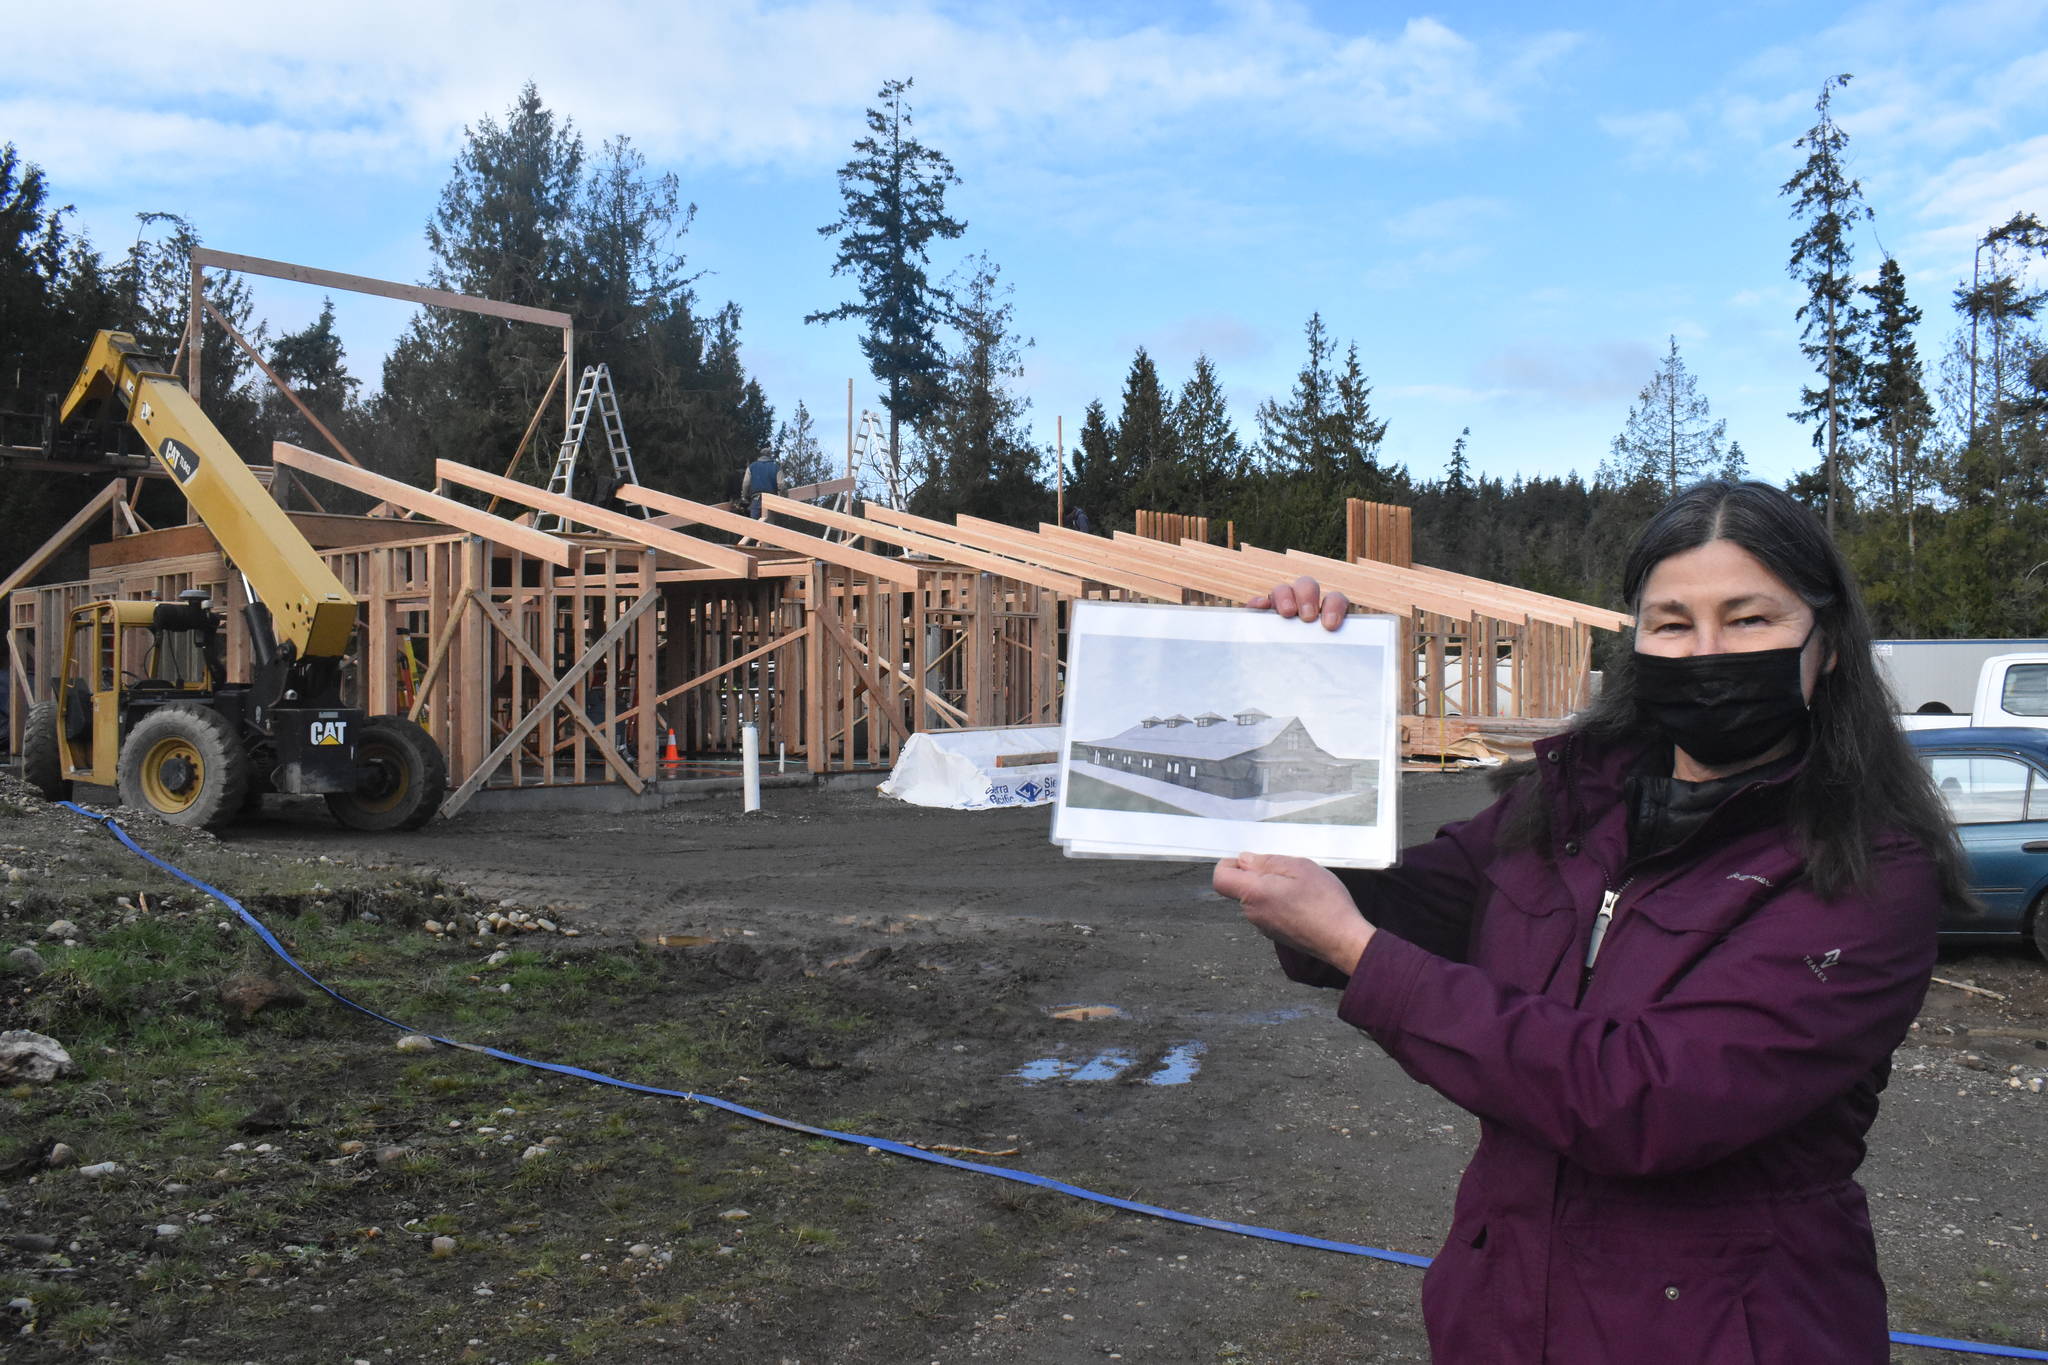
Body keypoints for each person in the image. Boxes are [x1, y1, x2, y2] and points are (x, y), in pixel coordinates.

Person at [1212, 480, 1969, 1365]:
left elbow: (1644, 1101)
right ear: (1638, 642)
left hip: (1726, 1332)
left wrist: (1353, 946)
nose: (1707, 650)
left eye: (1751, 619)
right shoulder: (1567, 805)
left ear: (1827, 644)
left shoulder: (1867, 869)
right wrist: (1299, 704)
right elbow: (1388, 904)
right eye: (1673, 622)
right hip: (1504, 1316)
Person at [743, 448, 781, 519]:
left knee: (754, 524)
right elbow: (782, 485)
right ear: (770, 455)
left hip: (756, 498)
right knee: (769, 525)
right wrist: (782, 499)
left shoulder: (751, 467)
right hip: (771, 499)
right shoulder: (776, 467)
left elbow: (746, 483)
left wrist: (744, 496)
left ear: (760, 455)